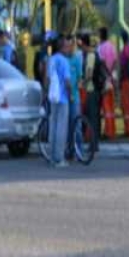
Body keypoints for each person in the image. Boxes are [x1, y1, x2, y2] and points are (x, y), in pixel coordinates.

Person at [46, 36, 72, 167]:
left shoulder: (51, 60)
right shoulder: (64, 61)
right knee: (61, 128)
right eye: (67, 46)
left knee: (53, 126)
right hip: (62, 98)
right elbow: (67, 81)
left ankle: (51, 156)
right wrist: (70, 94)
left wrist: (47, 93)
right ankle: (59, 158)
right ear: (62, 47)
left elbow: (47, 79)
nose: (69, 48)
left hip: (53, 97)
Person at [83, 33, 106, 152]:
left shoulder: (90, 55)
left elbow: (89, 73)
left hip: (92, 90)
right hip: (97, 90)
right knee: (95, 117)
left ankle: (93, 144)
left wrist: (83, 82)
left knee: (92, 118)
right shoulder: (96, 53)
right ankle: (95, 143)